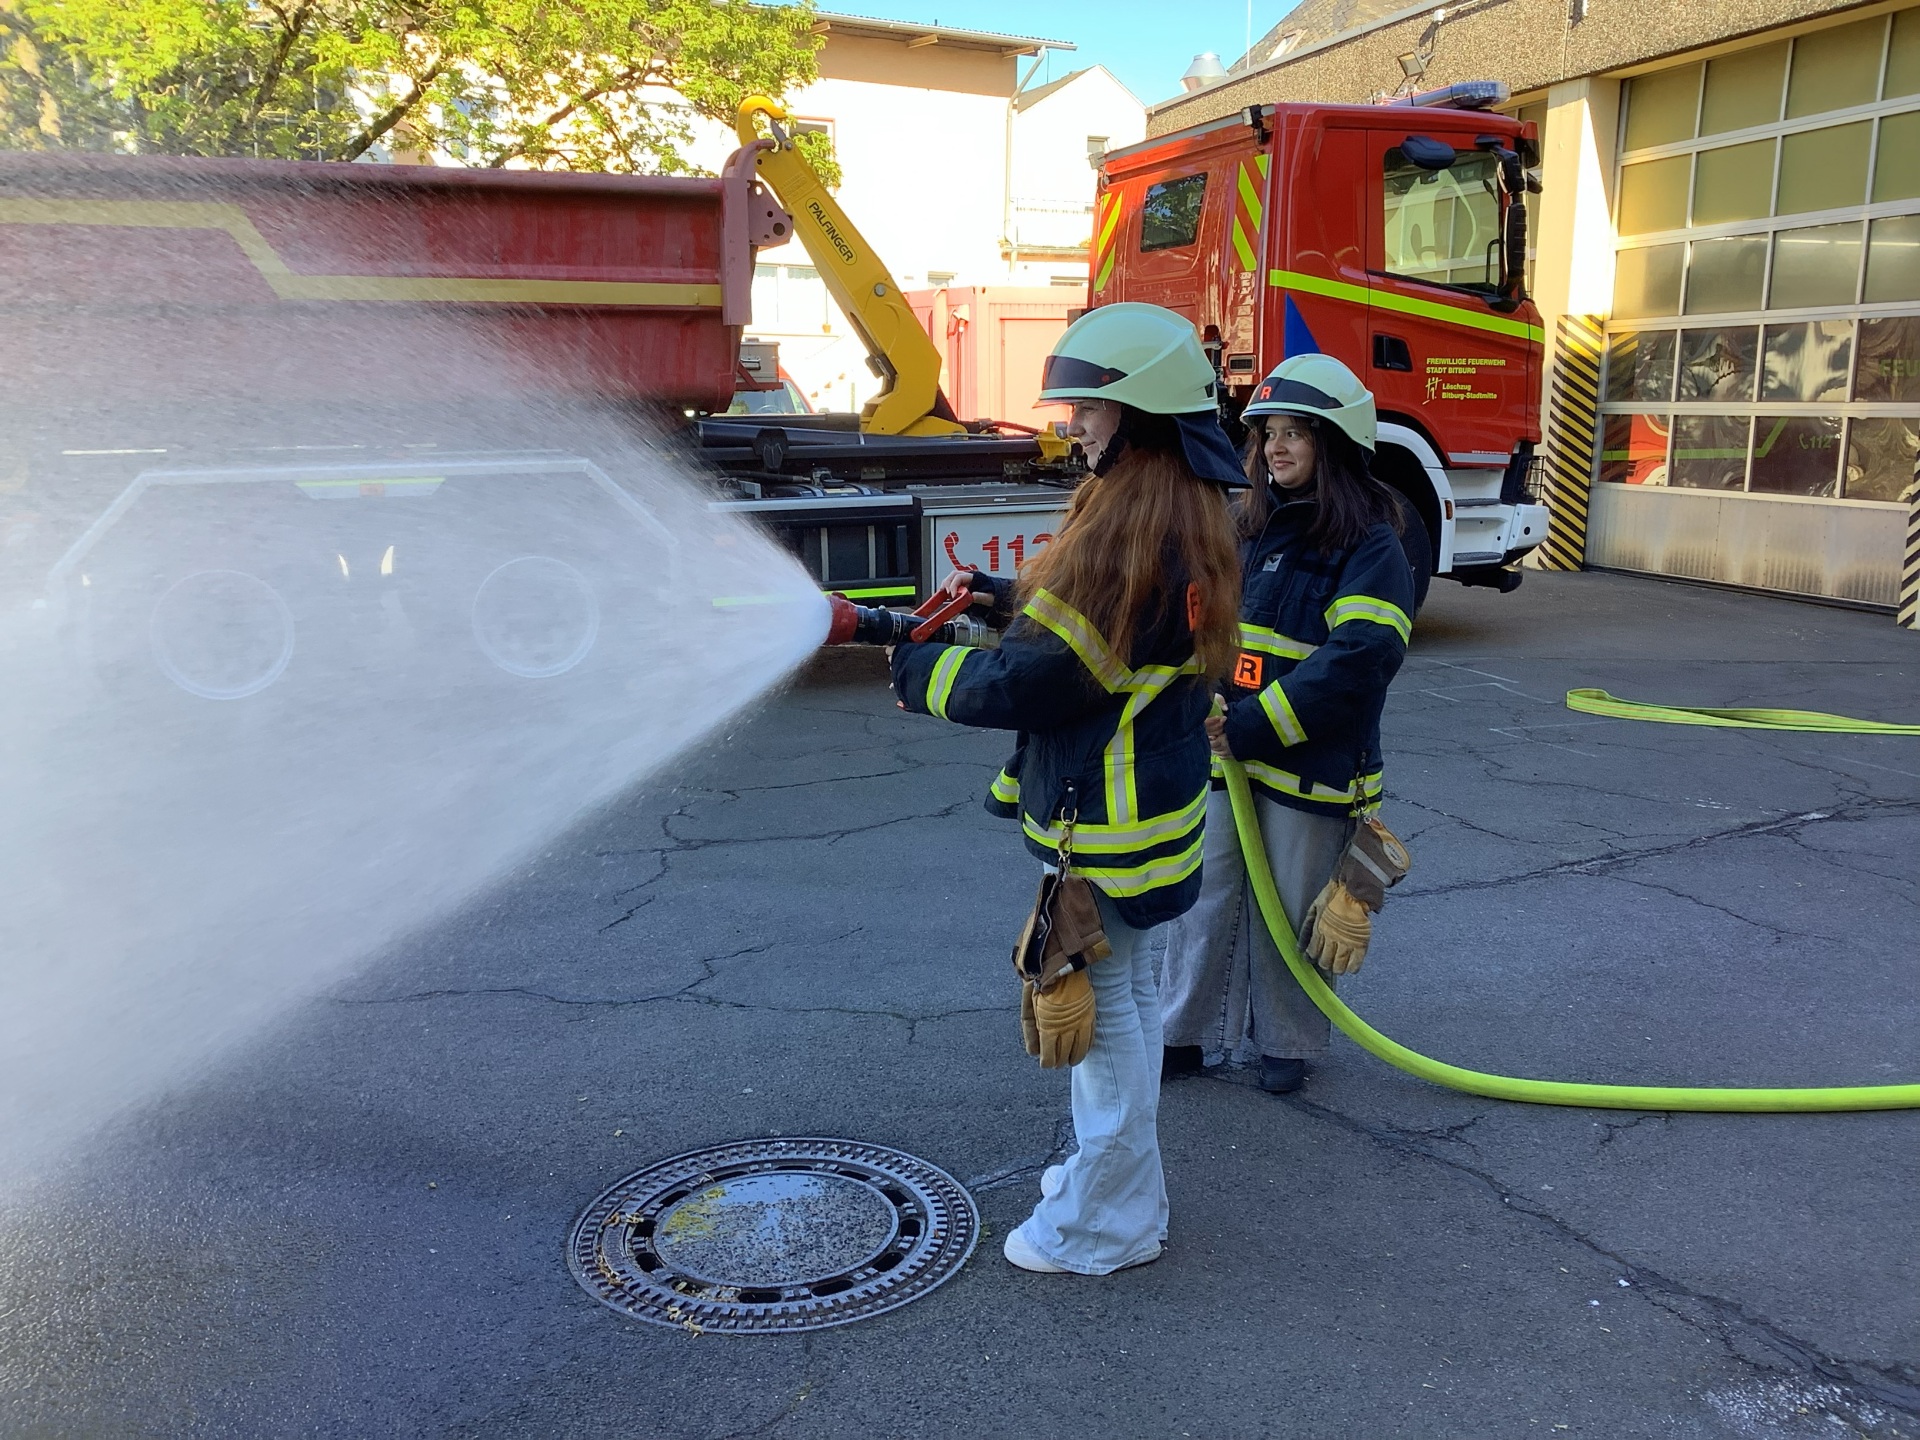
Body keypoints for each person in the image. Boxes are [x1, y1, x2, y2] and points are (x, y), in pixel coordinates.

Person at [890, 303, 1245, 1275]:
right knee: (1119, 1010)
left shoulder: (1136, 539)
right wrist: (1013, 604)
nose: (1072, 422)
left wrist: (918, 677)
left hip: (1108, 836)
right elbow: (1099, 651)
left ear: (1141, 415)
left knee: (1105, 1027)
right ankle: (1127, 1197)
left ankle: (1105, 1224)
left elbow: (1036, 683)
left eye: (1089, 404)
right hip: (1150, 821)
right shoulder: (1179, 516)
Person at [1159, 353, 1414, 1095]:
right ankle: (1182, 1033)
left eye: (1298, 432)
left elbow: (1360, 659)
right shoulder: (1246, 530)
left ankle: (1289, 1043)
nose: (1277, 447)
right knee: (1201, 898)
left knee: (1292, 911)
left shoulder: (1369, 545)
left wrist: (1254, 727)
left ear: (1336, 446)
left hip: (1310, 766)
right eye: (1269, 432)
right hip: (1226, 756)